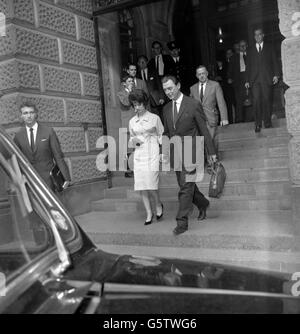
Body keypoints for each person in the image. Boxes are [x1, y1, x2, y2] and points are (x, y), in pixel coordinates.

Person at [161, 75, 217, 236]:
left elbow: (204, 130)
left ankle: (182, 222)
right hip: (176, 154)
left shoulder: (193, 104)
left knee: (185, 188)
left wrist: (211, 152)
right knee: (186, 185)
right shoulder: (165, 109)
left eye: (170, 88)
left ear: (178, 85)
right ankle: (203, 203)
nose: (168, 92)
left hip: (192, 153)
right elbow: (166, 133)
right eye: (165, 90)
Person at [14, 103, 71, 192]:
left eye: (31, 112)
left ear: (36, 114)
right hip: (29, 181)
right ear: (21, 116)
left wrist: (66, 177)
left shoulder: (48, 131)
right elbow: (16, 160)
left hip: (49, 180)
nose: (29, 116)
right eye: (25, 113)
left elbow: (58, 156)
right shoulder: (18, 136)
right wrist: (20, 178)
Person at [128, 89, 164, 225]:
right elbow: (131, 139)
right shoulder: (132, 121)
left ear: (144, 103)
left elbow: (161, 136)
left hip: (153, 154)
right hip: (139, 155)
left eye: (138, 104)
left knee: (152, 184)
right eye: (134, 105)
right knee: (142, 186)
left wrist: (162, 153)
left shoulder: (155, 118)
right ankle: (149, 213)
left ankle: (158, 205)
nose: (136, 107)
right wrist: (134, 141)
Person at [245, 28, 280, 133]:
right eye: (255, 35)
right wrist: (247, 80)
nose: (257, 37)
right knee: (256, 101)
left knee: (266, 100)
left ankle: (267, 123)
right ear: (254, 37)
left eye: (259, 34)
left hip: (266, 78)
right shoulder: (250, 50)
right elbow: (248, 66)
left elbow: (275, 61)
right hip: (254, 80)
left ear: (263, 35)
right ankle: (258, 124)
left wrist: (276, 75)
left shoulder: (269, 47)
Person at [190, 65, 228, 154]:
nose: (201, 76)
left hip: (211, 117)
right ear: (196, 75)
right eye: (199, 74)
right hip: (199, 119)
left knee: (211, 140)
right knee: (203, 141)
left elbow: (221, 102)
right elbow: (191, 105)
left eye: (203, 73)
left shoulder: (215, 85)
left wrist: (224, 118)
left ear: (207, 73)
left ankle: (213, 161)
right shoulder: (192, 88)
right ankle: (209, 161)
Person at [117, 75, 136, 177]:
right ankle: (129, 171)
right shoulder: (120, 93)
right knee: (128, 148)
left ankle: (136, 168)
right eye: (129, 81)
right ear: (124, 83)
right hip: (127, 122)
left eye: (132, 81)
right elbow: (126, 103)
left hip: (135, 122)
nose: (132, 83)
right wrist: (129, 92)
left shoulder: (135, 92)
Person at [228, 40, 249, 123]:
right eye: (241, 46)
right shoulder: (234, 57)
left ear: (246, 46)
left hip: (250, 79)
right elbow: (230, 70)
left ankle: (253, 118)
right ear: (238, 47)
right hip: (238, 81)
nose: (243, 47)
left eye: (244, 45)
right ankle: (239, 120)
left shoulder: (251, 55)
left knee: (253, 99)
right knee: (239, 101)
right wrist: (229, 77)